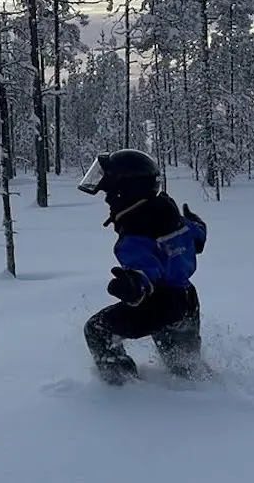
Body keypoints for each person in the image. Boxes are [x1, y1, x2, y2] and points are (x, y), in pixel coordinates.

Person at [76, 148, 210, 385]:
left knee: (96, 330)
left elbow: (147, 270)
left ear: (126, 193)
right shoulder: (169, 214)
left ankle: (123, 390)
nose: (107, 200)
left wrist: (134, 285)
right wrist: (198, 222)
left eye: (111, 194)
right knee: (185, 367)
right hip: (187, 300)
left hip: (158, 303)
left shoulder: (135, 231)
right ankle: (210, 393)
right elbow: (196, 238)